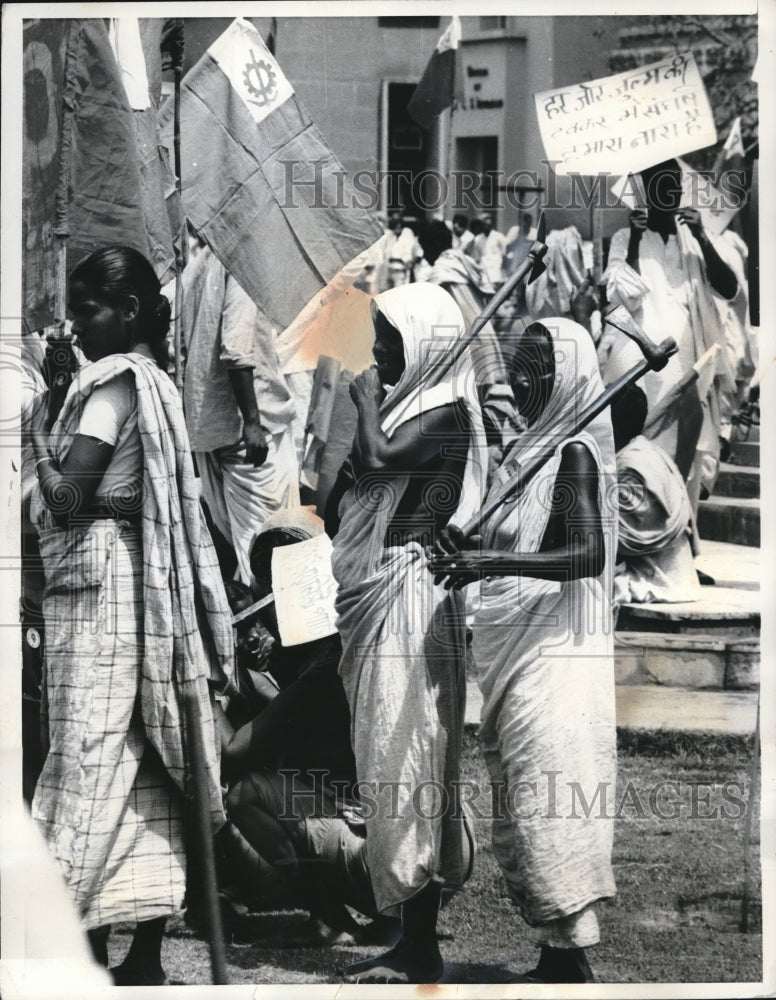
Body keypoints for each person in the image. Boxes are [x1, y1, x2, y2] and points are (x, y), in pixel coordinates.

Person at [28, 246, 233, 986]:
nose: (76, 327)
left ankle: (71, 932)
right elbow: (128, 494)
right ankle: (139, 949)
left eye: (89, 310)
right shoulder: (158, 386)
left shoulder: (114, 386)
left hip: (105, 595)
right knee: (143, 762)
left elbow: (66, 498)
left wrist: (37, 440)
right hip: (135, 589)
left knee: (88, 759)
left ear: (134, 312)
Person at [430, 317, 618, 984]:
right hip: (518, 656)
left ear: (567, 376)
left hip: (554, 663)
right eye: (520, 361)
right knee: (519, 799)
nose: (522, 375)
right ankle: (557, 959)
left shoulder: (572, 453)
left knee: (547, 799)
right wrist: (465, 547)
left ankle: (569, 962)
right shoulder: (526, 452)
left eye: (540, 365)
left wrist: (488, 561)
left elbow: (586, 553)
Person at [326, 283, 486, 984]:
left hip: (415, 597)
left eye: (389, 339)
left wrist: (363, 407)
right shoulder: (400, 409)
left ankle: (419, 942)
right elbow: (341, 496)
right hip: (378, 589)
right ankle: (404, 927)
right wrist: (361, 428)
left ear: (423, 343)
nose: (379, 351)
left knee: (410, 757)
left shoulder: (447, 413)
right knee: (386, 763)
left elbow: (385, 458)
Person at [214, 509, 383, 943]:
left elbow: (234, 752)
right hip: (425, 848)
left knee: (247, 794)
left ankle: (328, 920)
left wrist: (206, 681)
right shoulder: (344, 647)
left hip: (384, 856)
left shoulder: (322, 668)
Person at [600, 158, 739, 514]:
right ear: (646, 192)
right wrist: (632, 237)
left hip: (688, 366)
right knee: (636, 453)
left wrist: (704, 237)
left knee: (686, 454)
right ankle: (637, 543)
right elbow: (617, 297)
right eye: (661, 187)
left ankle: (682, 545)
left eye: (675, 186)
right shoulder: (623, 237)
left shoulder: (693, 240)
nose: (670, 194)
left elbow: (729, 288)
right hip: (638, 368)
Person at [181, 242, 298, 585]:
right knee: (267, 549)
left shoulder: (202, 259)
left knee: (248, 543)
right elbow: (236, 348)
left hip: (215, 426)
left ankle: (261, 629)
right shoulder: (243, 259)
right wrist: (252, 422)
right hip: (249, 429)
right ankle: (273, 634)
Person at [417, 220, 522, 473]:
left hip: (467, 346)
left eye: (425, 248)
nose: (424, 255)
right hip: (484, 338)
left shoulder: (441, 273)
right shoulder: (461, 264)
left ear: (432, 246)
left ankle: (480, 468)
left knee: (476, 412)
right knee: (490, 401)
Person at [612, 385, 701, 605]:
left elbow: (628, 538)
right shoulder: (649, 451)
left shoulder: (631, 464)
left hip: (659, 577)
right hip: (678, 574)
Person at [471, 211, 506, 287]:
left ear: (492, 224)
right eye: (483, 224)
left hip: (496, 270)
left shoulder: (499, 237)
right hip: (483, 270)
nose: (485, 226)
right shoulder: (477, 239)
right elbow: (476, 257)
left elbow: (504, 254)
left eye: (488, 224)